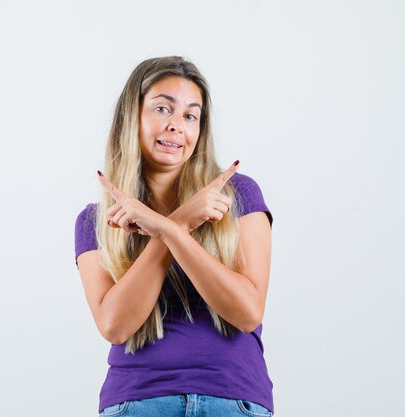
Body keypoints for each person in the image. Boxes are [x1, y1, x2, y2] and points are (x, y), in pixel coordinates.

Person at [74, 56, 275, 417]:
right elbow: (115, 325)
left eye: (190, 115)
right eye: (163, 109)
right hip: (137, 402)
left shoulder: (238, 195)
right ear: (130, 117)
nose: (176, 126)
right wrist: (180, 223)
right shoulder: (95, 221)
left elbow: (247, 312)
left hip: (233, 400)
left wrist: (168, 227)